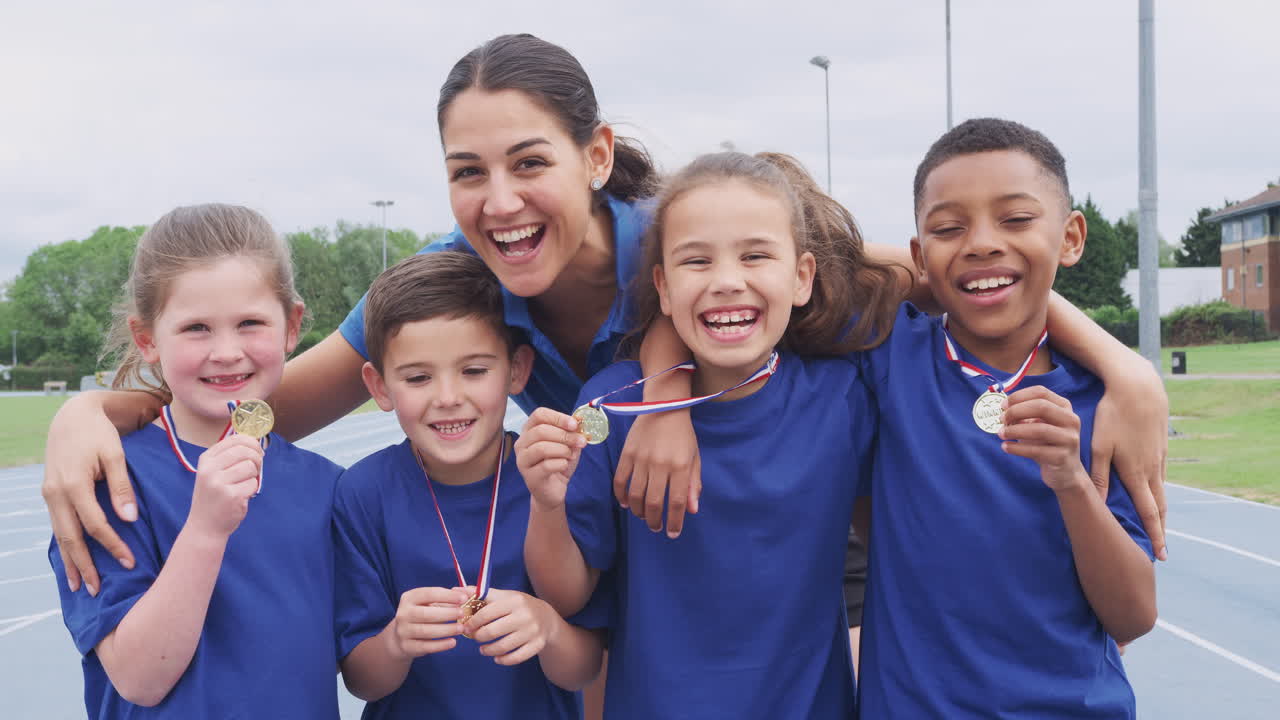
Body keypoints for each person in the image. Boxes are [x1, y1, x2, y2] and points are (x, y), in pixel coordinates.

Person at [41, 34, 1166, 650]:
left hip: (795, 518)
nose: (498, 199)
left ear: (593, 155)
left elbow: (945, 269)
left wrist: (1121, 366)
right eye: (467, 172)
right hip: (637, 551)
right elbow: (260, 401)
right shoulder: (455, 274)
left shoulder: (695, 240)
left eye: (527, 160)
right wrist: (91, 411)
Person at [519, 151, 896, 719]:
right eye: (697, 261)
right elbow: (567, 594)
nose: (726, 281)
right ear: (664, 290)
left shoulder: (844, 397)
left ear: (802, 278)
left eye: (756, 255)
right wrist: (545, 503)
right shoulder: (612, 406)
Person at [853, 118, 1157, 718]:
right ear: (918, 256)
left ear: (1070, 238)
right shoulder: (888, 358)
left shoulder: (1106, 403)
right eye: (947, 228)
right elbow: (793, 248)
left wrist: (1071, 480)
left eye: (1016, 220)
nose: (982, 243)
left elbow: (1134, 616)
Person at [47, 205, 342, 717]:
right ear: (147, 339)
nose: (226, 351)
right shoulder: (107, 482)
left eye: (250, 323)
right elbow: (139, 677)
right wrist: (206, 528)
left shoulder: (330, 488)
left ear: (291, 326)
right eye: (197, 328)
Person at [332, 251, 606, 719]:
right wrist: (396, 641)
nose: (448, 398)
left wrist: (547, 628)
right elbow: (361, 680)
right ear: (379, 387)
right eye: (418, 377)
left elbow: (585, 667)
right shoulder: (361, 494)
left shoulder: (558, 477)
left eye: (474, 371)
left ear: (517, 370)